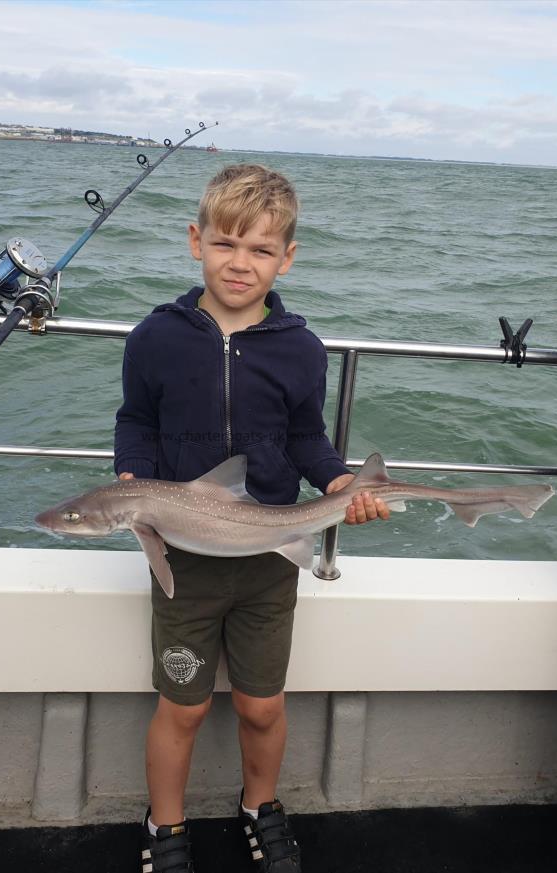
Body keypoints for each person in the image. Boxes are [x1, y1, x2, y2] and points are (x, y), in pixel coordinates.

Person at [114, 164, 389, 873]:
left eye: (262, 250)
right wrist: (130, 481)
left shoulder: (300, 348)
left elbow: (306, 437)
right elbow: (136, 420)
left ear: (287, 257)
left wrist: (338, 481)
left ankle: (258, 807)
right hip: (184, 559)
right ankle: (164, 825)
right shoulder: (154, 337)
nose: (241, 263)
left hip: (270, 557)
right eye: (227, 244)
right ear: (195, 241)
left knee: (263, 706)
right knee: (184, 709)